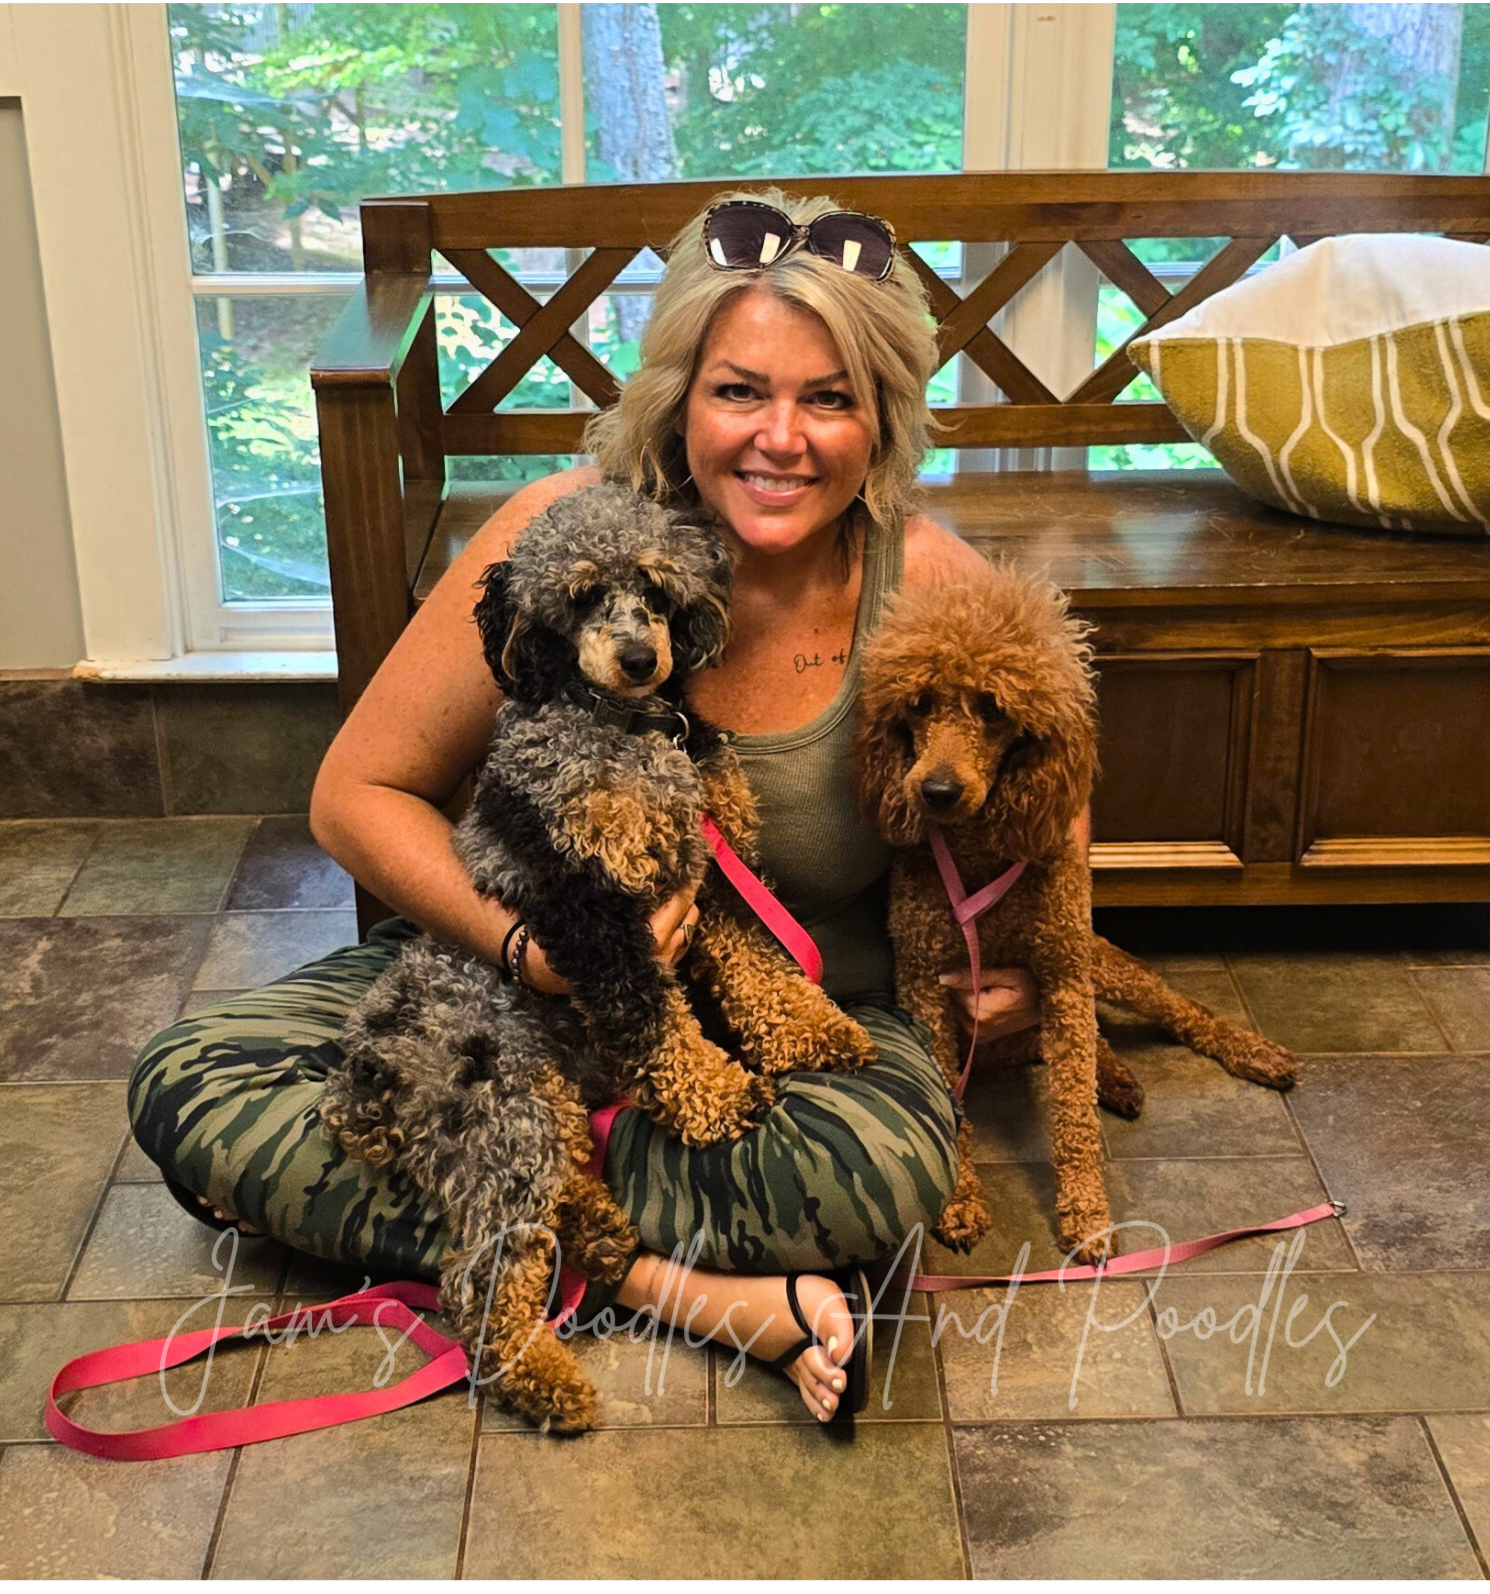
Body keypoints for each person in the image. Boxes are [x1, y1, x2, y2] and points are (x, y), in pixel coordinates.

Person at [129, 190, 1087, 1425]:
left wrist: (1011, 974)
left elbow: (1055, 812)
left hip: (795, 1023)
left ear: (883, 417)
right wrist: (528, 955)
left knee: (876, 1176)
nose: (780, 438)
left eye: (830, 397)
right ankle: (672, 1276)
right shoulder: (560, 536)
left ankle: (528, 1227)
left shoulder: (933, 582)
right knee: (185, 1075)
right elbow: (354, 797)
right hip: (506, 991)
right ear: (680, 395)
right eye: (740, 389)